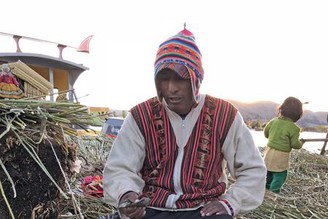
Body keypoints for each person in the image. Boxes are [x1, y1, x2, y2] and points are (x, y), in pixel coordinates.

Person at [103, 26, 266, 219]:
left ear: (195, 79)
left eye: (180, 78)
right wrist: (127, 194)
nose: (171, 88)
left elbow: (252, 169)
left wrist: (231, 202)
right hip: (152, 207)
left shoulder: (224, 115)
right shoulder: (141, 115)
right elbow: (120, 167)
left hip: (204, 209)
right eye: (164, 79)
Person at [263, 96, 305, 193]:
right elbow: (295, 144)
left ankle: (266, 190)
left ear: (282, 108)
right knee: (280, 175)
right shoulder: (294, 128)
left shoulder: (273, 121)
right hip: (281, 156)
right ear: (298, 114)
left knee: (268, 173)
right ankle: (274, 192)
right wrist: (301, 143)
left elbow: (266, 134)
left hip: (268, 153)